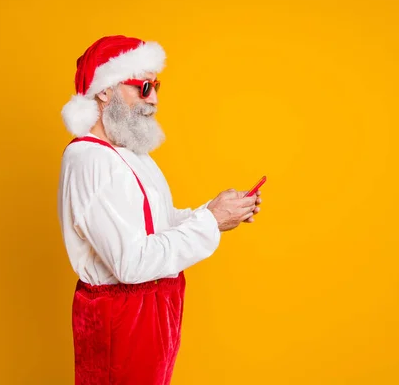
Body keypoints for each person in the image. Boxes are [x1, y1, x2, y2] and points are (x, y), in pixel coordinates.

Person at [57, 35, 263, 385]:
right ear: (105, 90)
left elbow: (157, 226)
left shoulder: (132, 154)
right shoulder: (89, 159)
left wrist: (215, 212)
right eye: (144, 86)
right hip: (121, 319)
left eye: (157, 86)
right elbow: (130, 263)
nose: (153, 99)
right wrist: (209, 222)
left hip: (154, 309)